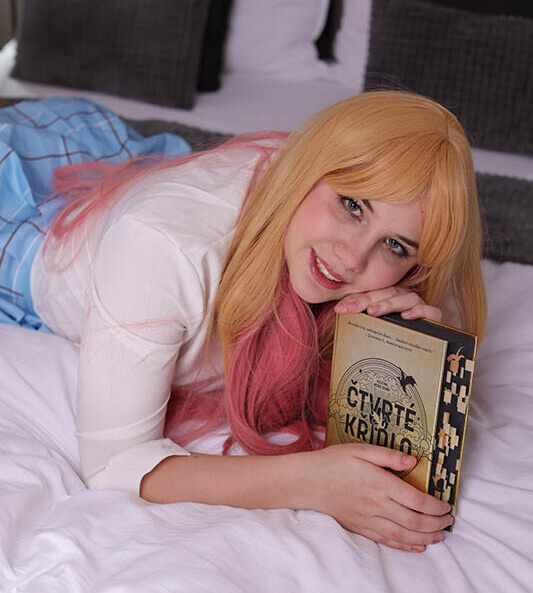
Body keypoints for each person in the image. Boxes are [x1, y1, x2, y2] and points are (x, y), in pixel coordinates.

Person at [0, 90, 487, 554]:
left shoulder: (323, 222)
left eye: (395, 245)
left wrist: (395, 344)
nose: (353, 257)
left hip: (142, 177)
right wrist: (311, 482)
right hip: (25, 230)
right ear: (307, 170)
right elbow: (113, 465)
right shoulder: (161, 248)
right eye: (353, 205)